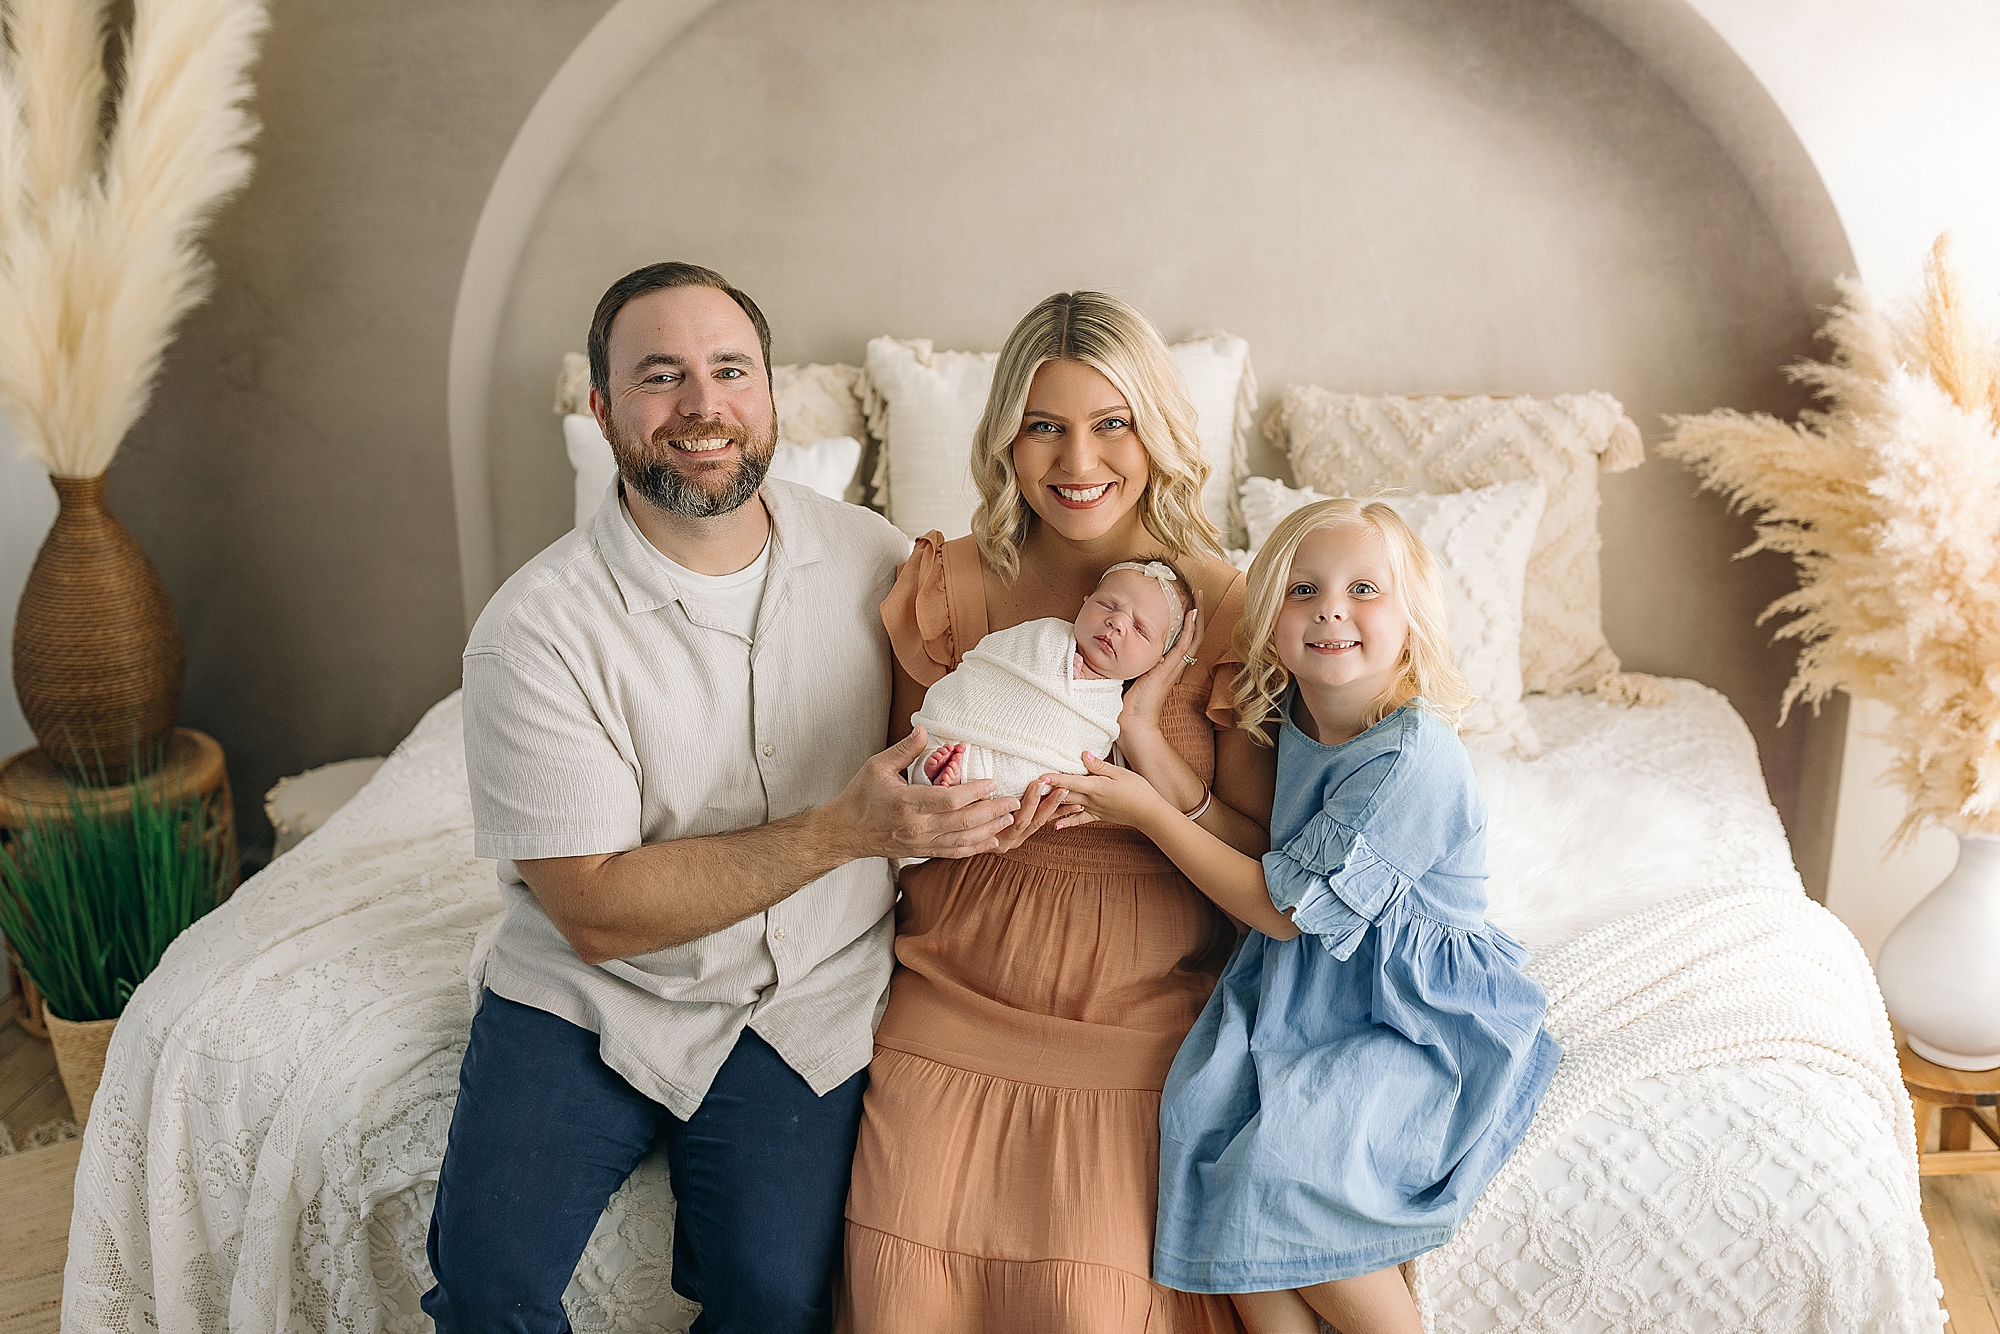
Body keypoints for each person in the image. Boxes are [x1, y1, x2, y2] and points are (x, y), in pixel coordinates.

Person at [426, 261, 1027, 1334]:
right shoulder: (531, 633)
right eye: (661, 377)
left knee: (775, 1297)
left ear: (769, 397)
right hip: (586, 998)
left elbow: (970, 723)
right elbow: (597, 913)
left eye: (729, 371)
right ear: (603, 410)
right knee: (486, 1286)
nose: (703, 406)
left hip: (808, 997)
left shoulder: (875, 558)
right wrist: (847, 829)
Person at [841, 291, 1263, 1332]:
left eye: (1110, 422)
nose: (1078, 459)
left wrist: (1147, 778)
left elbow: (1262, 860)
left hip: (1142, 1015)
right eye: (1044, 425)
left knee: (1090, 1306)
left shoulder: (1231, 608)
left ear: (1157, 433)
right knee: (902, 1296)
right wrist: (946, 817)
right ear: (1004, 439)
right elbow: (898, 796)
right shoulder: (946, 586)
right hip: (952, 999)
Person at [1052, 498, 1563, 1334]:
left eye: (1365, 589)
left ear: (1412, 622)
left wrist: (1146, 813)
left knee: (1288, 1164)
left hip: (1408, 1011)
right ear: (1272, 623)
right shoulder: (1294, 719)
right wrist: (1140, 730)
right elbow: (1255, 846)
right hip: (1307, 986)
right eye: (1303, 590)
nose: (1331, 607)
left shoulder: (1411, 757)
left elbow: (1279, 909)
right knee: (1202, 1130)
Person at [914, 558, 1189, 794]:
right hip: (960, 724)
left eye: (1140, 629)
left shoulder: (1109, 706)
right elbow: (990, 663)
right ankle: (936, 768)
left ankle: (964, 775)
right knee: (932, 746)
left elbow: (1080, 756)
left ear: (1157, 661)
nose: (1117, 623)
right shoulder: (1044, 636)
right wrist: (1055, 668)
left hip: (1015, 772)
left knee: (1029, 777)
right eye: (1108, 605)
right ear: (1085, 603)